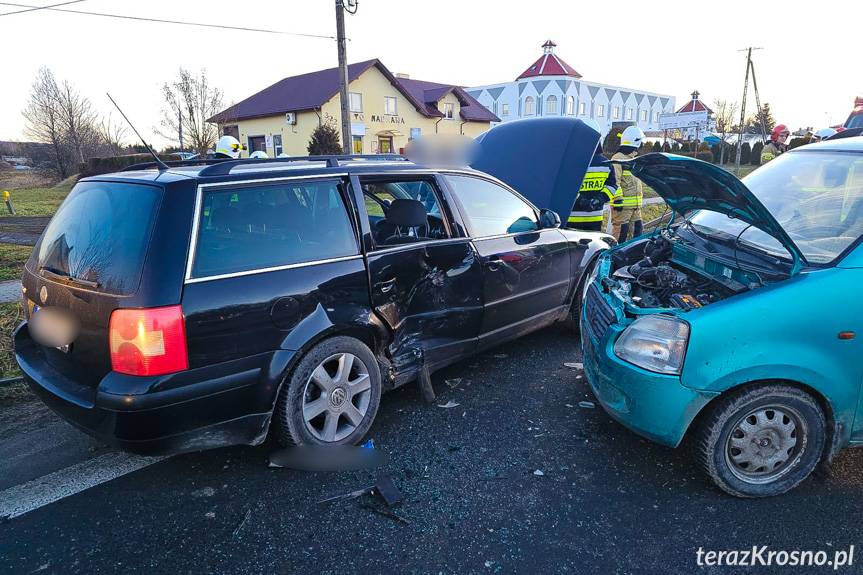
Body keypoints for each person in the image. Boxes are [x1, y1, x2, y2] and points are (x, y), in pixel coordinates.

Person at [568, 140, 618, 231]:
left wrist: (580, 200)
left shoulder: (570, 163)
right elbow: (612, 186)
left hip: (571, 218)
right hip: (595, 217)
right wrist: (598, 200)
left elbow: (564, 188)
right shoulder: (607, 164)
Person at [611, 126, 645, 243]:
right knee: (621, 235)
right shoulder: (618, 158)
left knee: (637, 234)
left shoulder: (634, 159)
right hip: (622, 208)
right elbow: (615, 181)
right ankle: (613, 259)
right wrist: (618, 199)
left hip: (635, 207)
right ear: (636, 141)